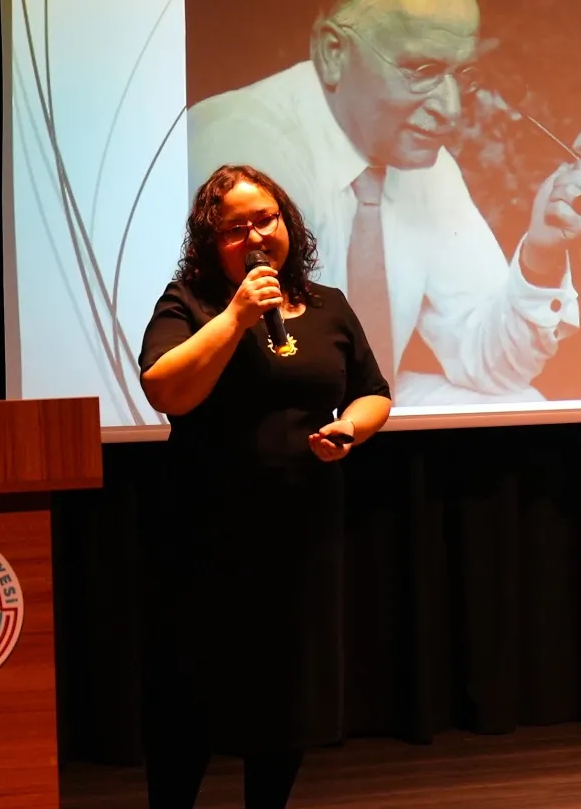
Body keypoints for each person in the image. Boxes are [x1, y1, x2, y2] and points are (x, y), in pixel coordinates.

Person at [187, 0, 581, 408]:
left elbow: (490, 362)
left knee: (523, 405)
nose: (451, 109)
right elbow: (254, 373)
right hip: (255, 423)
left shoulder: (423, 165)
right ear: (333, 52)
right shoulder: (245, 149)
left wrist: (542, 252)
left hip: (358, 407)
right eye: (422, 69)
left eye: (461, 75)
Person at [136, 163, 392, 809]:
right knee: (191, 698)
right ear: (209, 242)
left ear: (288, 224)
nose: (255, 236)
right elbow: (165, 390)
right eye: (234, 228)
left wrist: (350, 430)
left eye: (266, 220)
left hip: (302, 537)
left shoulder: (329, 306)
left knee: (286, 701)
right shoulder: (189, 303)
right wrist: (237, 315)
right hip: (206, 539)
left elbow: (373, 392)